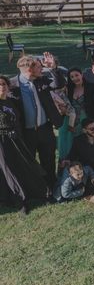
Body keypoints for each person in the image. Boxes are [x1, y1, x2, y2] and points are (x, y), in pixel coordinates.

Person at [11, 55, 63, 192]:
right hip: (26, 132)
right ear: (30, 69)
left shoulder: (42, 80)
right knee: (28, 162)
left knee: (49, 160)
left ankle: (51, 188)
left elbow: (59, 84)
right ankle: (34, 190)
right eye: (39, 67)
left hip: (45, 129)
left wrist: (53, 68)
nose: (42, 69)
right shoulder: (12, 86)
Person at [0, 75, 48, 214]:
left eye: (4, 84)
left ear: (8, 87)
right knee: (8, 169)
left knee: (23, 165)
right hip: (2, 141)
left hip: (16, 139)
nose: (2, 87)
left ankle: (37, 192)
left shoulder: (11, 102)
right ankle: (20, 201)